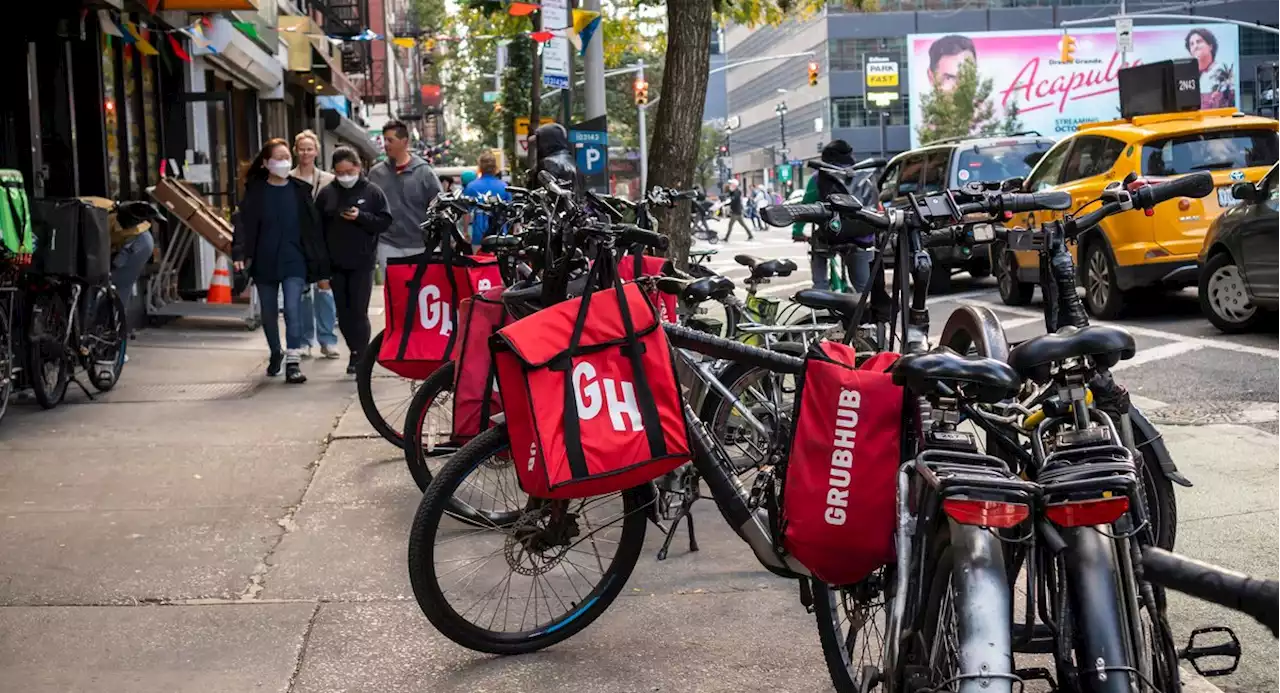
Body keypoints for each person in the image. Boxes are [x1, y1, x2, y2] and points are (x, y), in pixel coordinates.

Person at [232, 138, 329, 384]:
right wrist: (239, 255)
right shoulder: (255, 192)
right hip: (264, 258)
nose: (284, 162)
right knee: (268, 311)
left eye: (287, 157)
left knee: (293, 308)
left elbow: (313, 228)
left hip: (294, 259)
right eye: (279, 158)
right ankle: (276, 352)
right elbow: (242, 226)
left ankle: (293, 361)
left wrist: (319, 260)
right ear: (266, 163)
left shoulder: (299, 191)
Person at [316, 147, 394, 375]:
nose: (345, 177)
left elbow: (384, 222)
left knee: (359, 310)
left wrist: (361, 217)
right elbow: (317, 230)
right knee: (344, 313)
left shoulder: (372, 192)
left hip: (363, 261)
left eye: (349, 171)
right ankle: (355, 349)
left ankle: (360, 355)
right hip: (335, 263)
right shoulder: (326, 194)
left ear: (358, 168)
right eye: (340, 173)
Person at [792, 140, 878, 294]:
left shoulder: (819, 177)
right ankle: (868, 313)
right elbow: (876, 206)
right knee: (864, 288)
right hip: (862, 237)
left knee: (818, 248)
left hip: (831, 236)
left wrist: (797, 231)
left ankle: (820, 290)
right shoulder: (865, 176)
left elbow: (805, 208)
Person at [290, 130, 340, 360]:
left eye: (310, 148)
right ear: (295, 151)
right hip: (298, 242)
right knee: (301, 292)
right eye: (302, 148)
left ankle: (328, 340)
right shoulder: (289, 179)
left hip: (323, 242)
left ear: (317, 151)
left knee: (324, 290)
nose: (306, 153)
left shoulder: (328, 180)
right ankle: (304, 340)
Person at [367, 120, 442, 267]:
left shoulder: (424, 172)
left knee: (421, 289)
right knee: (394, 289)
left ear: (404, 141)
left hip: (420, 244)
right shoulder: (376, 174)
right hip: (387, 244)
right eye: (384, 140)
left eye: (390, 140)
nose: (386, 145)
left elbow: (439, 205)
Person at [463, 151, 510, 250]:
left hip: (478, 234)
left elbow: (466, 211)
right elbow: (510, 211)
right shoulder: (504, 186)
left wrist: (465, 231)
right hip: (500, 234)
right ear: (495, 167)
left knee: (479, 263)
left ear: (480, 167)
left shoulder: (471, 187)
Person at [527, 123, 586, 195]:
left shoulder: (548, 162)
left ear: (545, 142)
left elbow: (543, 193)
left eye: (539, 141)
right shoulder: (573, 162)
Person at [1186, 28, 1235, 109]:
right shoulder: (1190, 75)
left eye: (1199, 41)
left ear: (1210, 46)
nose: (1195, 46)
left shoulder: (1222, 71)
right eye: (1192, 44)